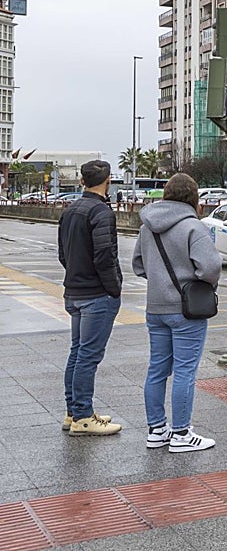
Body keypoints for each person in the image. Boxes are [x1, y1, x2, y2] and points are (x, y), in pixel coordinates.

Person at [132, 173, 222, 453]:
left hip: (155, 307)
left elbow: (138, 264)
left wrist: (159, 280)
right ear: (194, 198)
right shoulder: (193, 227)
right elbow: (210, 268)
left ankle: (156, 430)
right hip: (185, 310)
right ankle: (181, 433)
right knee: (185, 370)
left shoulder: (147, 226)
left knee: (157, 368)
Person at [59, 159, 123, 436]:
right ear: (107, 181)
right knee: (88, 356)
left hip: (74, 292)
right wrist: (114, 288)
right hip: (96, 295)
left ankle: (73, 412)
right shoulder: (101, 212)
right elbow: (105, 255)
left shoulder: (70, 210)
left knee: (77, 352)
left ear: (83, 180)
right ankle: (84, 417)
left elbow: (63, 254)